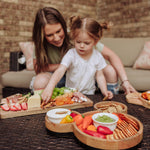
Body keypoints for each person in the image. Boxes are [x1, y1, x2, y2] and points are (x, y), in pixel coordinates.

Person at [31, 7, 136, 95]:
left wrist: (125, 81)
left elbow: (111, 56)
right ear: (42, 36)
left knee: (110, 70)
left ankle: (111, 98)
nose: (57, 38)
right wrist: (69, 65)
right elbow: (39, 69)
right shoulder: (43, 44)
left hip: (84, 79)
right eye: (49, 35)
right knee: (40, 81)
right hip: (61, 79)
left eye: (58, 31)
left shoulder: (78, 36)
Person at [41, 16, 113, 103]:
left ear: (95, 41)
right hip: (70, 94)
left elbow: (100, 76)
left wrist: (104, 91)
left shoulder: (97, 56)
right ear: (74, 39)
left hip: (89, 94)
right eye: (78, 42)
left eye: (86, 43)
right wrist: (50, 87)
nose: (81, 46)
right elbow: (60, 70)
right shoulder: (71, 54)